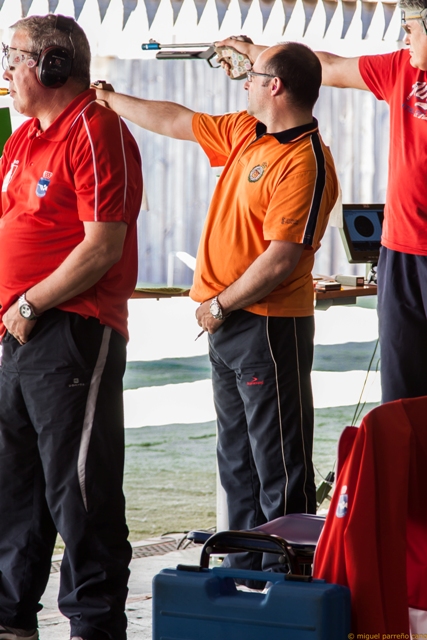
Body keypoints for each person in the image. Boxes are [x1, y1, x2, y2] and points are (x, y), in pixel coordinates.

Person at [95, 42, 338, 575]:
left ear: (275, 85)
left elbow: (281, 259)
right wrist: (111, 100)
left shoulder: (305, 161)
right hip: (226, 322)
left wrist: (221, 305)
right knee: (237, 459)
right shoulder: (247, 130)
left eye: (253, 74)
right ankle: (245, 571)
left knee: (277, 463)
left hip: (267, 325)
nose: (243, 81)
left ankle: (288, 579)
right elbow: (178, 120)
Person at [0, 13, 142, 640]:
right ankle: (10, 617)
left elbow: (102, 247)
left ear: (54, 65)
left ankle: (94, 624)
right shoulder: (23, 138)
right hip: (18, 332)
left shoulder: (95, 128)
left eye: (15, 57)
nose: (7, 70)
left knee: (80, 489)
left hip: (72, 328)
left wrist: (30, 305)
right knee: (16, 485)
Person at [218, 3, 427, 404]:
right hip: (401, 251)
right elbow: (324, 66)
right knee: (401, 392)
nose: (405, 37)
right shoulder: (401, 68)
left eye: (411, 27)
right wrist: (256, 55)